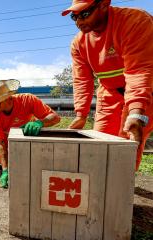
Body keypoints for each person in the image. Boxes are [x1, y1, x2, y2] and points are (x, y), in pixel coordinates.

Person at [62, 0, 153, 170]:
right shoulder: (78, 44)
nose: (79, 21)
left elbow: (139, 71)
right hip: (109, 92)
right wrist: (81, 114)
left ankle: (120, 190)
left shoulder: (135, 21)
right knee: (100, 143)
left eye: (85, 14)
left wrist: (136, 113)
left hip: (142, 90)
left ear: (104, 4)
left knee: (126, 147)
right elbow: (82, 80)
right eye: (74, 16)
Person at [0, 80, 61, 188]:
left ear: (7, 99)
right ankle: (7, 167)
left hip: (26, 137)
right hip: (6, 137)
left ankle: (24, 165)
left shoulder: (28, 99)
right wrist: (5, 169)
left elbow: (55, 118)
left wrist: (40, 123)